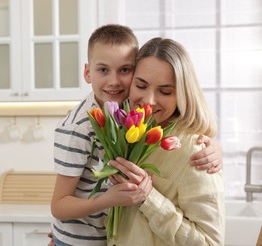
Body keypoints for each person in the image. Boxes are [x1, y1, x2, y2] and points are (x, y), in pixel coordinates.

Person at [50, 25, 223, 246]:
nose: (114, 81)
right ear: (88, 72)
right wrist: (62, 235)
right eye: (141, 85)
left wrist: (215, 147)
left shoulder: (191, 147)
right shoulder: (92, 123)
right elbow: (60, 204)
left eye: (124, 70)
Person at [107, 37, 225, 245]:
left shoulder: (196, 151)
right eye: (141, 85)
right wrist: (72, 233)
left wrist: (148, 198)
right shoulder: (127, 133)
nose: (149, 101)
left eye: (165, 91)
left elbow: (210, 243)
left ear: (182, 94)